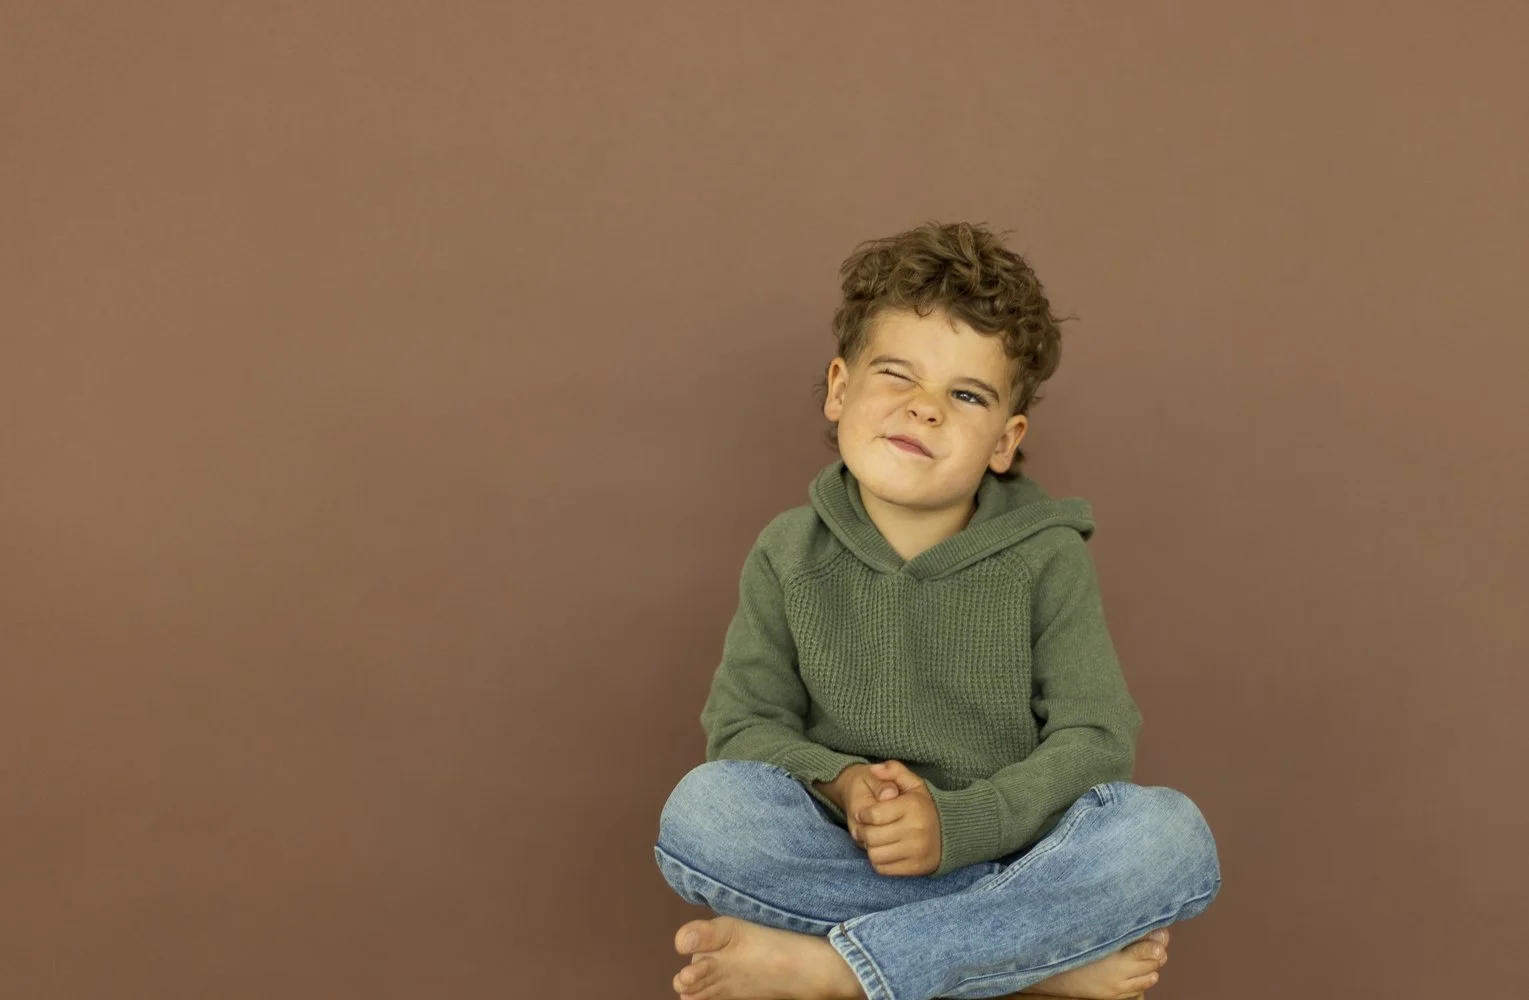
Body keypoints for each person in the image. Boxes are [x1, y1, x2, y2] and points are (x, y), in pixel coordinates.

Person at [653, 221, 1221, 1000]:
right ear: (839, 388)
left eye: (964, 394)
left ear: (1003, 439)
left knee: (1169, 837)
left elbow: (1095, 740)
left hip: (1022, 853)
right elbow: (743, 726)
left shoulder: (1045, 555)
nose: (924, 410)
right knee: (704, 813)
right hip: (853, 855)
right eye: (897, 376)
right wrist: (846, 784)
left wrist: (960, 827)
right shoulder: (787, 551)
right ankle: (1025, 965)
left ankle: (838, 972)